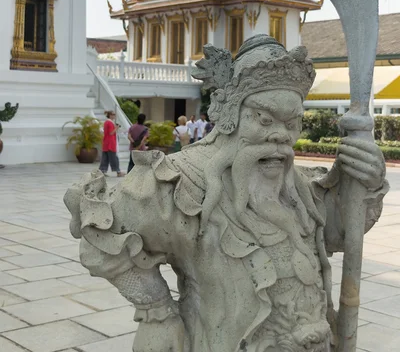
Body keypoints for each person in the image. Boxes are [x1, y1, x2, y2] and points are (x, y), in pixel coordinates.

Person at [66, 35, 388, 352]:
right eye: (264, 119)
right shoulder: (182, 183)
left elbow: (338, 230)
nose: (280, 136)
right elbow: (102, 236)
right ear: (232, 116)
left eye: (292, 123)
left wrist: (364, 181)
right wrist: (156, 312)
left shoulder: (296, 188)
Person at [99, 111, 125, 177]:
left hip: (106, 143)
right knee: (114, 158)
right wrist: (116, 128)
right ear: (110, 115)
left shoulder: (106, 122)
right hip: (110, 143)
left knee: (105, 158)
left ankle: (102, 171)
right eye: (113, 114)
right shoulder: (110, 123)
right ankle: (118, 172)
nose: (114, 116)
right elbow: (111, 133)